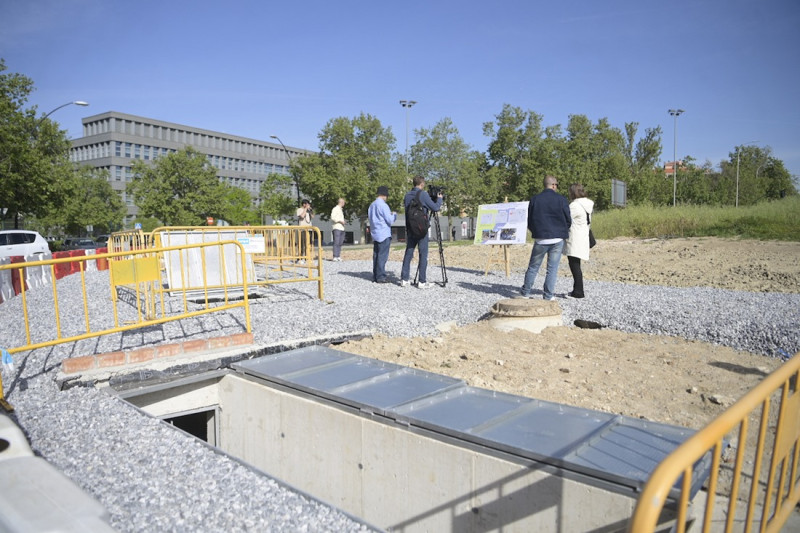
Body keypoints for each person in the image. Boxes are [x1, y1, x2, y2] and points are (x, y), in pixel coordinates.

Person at [519, 175, 571, 300]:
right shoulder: (561, 199)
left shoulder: (535, 199)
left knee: (533, 267)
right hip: (557, 238)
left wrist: (535, 232)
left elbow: (530, 220)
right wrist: (562, 230)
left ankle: (525, 292)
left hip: (540, 238)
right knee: (552, 269)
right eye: (557, 185)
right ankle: (548, 295)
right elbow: (568, 219)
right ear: (553, 185)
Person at [400, 175, 443, 288]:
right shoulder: (423, 194)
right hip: (421, 229)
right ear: (422, 184)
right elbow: (435, 208)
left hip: (410, 228)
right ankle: (422, 281)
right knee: (423, 254)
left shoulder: (407, 195)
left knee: (409, 253)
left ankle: (404, 279)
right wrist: (439, 199)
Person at [564, 183, 593, 299]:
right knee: (576, 264)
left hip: (574, 238)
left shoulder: (575, 205)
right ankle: (577, 290)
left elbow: (566, 218)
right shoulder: (588, 204)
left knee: (574, 265)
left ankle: (578, 291)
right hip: (583, 237)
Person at [367, 186, 396, 283]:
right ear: (385, 195)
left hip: (375, 233)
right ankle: (381, 276)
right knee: (382, 256)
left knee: (376, 255)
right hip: (383, 233)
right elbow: (390, 220)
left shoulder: (372, 205)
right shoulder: (383, 205)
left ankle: (375, 275)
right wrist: (394, 215)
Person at [330, 197, 346, 262]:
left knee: (340, 242)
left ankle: (338, 255)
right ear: (341, 202)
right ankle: (335, 256)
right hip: (336, 227)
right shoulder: (335, 209)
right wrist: (340, 221)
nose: (344, 204)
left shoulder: (341, 210)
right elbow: (333, 217)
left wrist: (343, 221)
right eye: (344, 202)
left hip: (342, 228)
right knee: (336, 242)